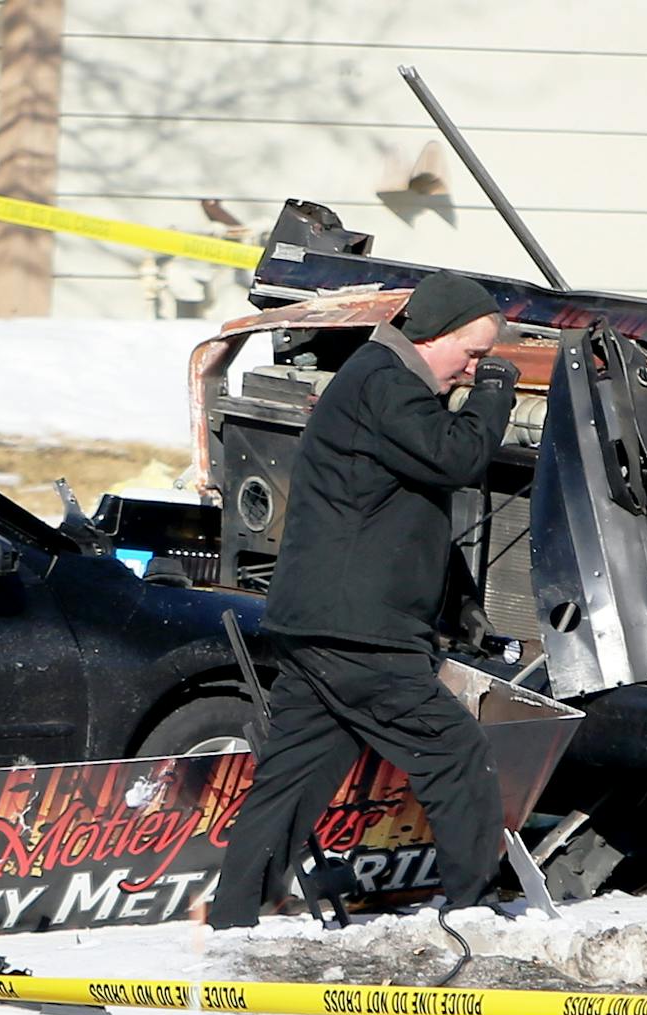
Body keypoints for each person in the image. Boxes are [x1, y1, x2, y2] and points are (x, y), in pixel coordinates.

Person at [209, 270, 518, 929]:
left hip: (327, 624)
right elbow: (457, 458)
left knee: (294, 776)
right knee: (454, 753)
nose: (472, 372)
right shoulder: (385, 380)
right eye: (472, 355)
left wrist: (457, 601)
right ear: (433, 338)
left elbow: (402, 512)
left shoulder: (389, 388)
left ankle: (233, 920)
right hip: (358, 632)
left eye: (483, 365)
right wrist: (498, 393)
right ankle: (473, 910)